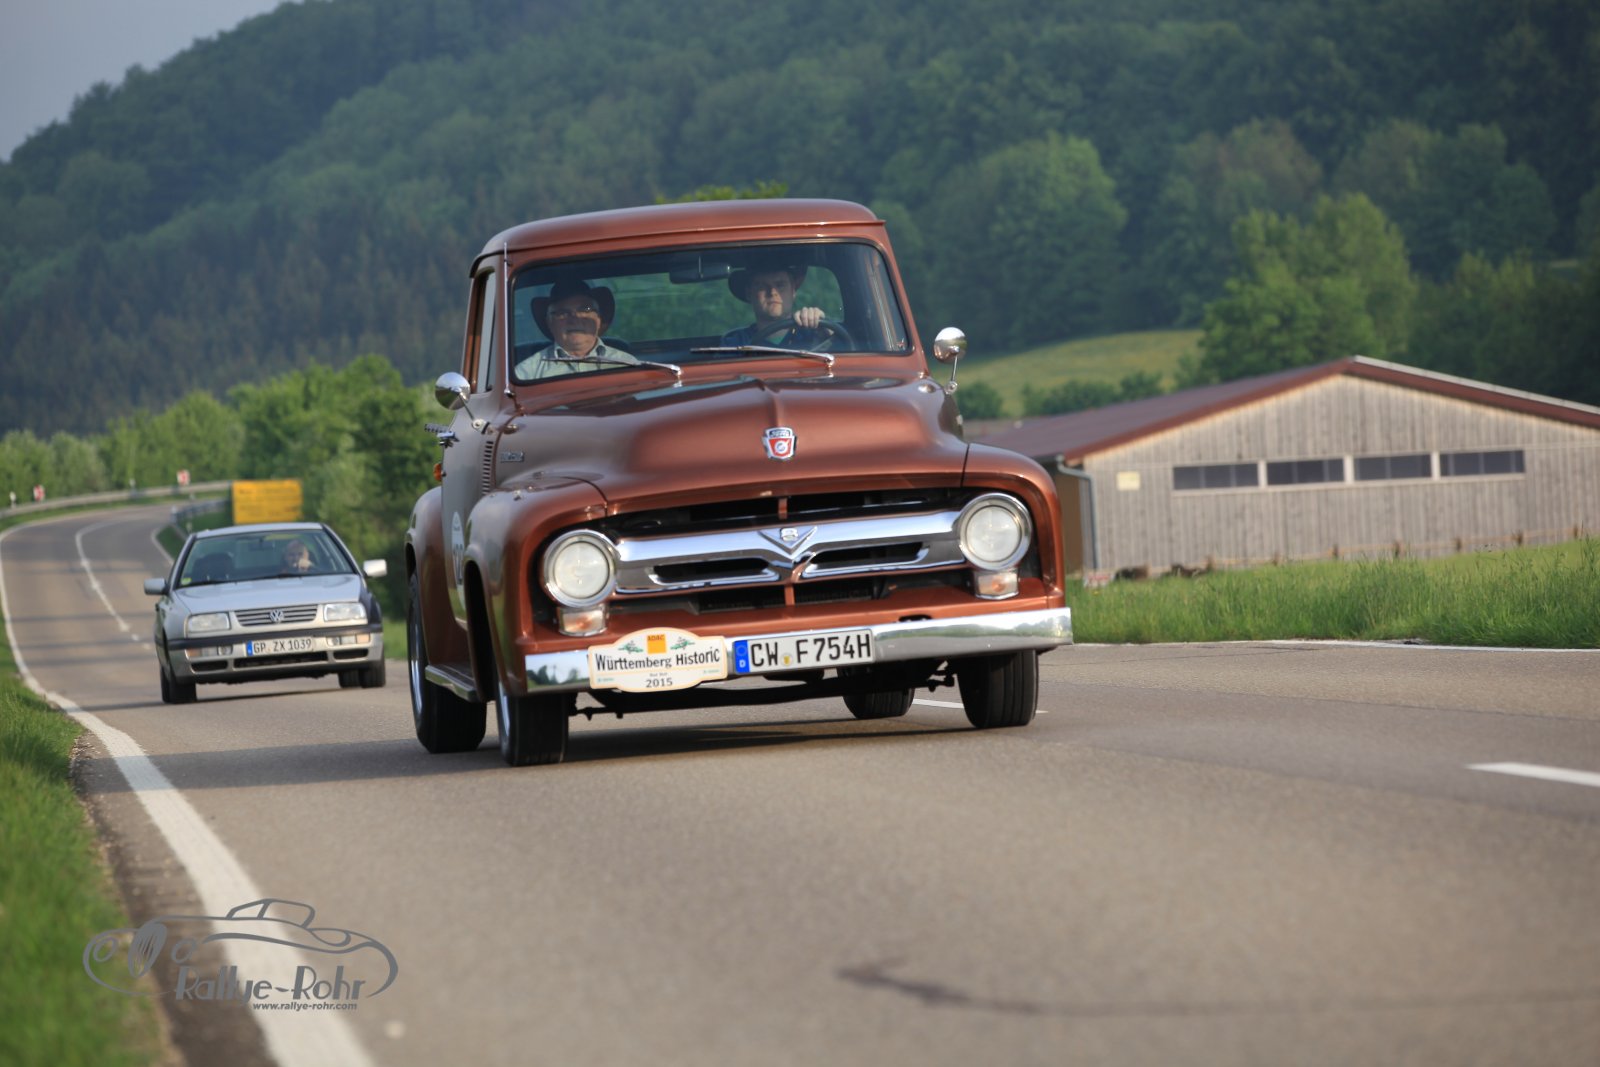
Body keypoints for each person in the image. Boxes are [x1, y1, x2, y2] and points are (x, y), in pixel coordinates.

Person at [513, 279, 638, 380]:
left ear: (598, 319)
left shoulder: (627, 364)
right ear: (549, 323)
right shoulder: (527, 373)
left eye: (585, 310)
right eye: (562, 312)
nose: (575, 319)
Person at [722, 261, 830, 348]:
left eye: (780, 285)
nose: (772, 292)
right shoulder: (736, 344)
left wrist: (824, 327)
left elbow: (836, 356)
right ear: (749, 294)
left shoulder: (814, 334)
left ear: (793, 291)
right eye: (762, 286)